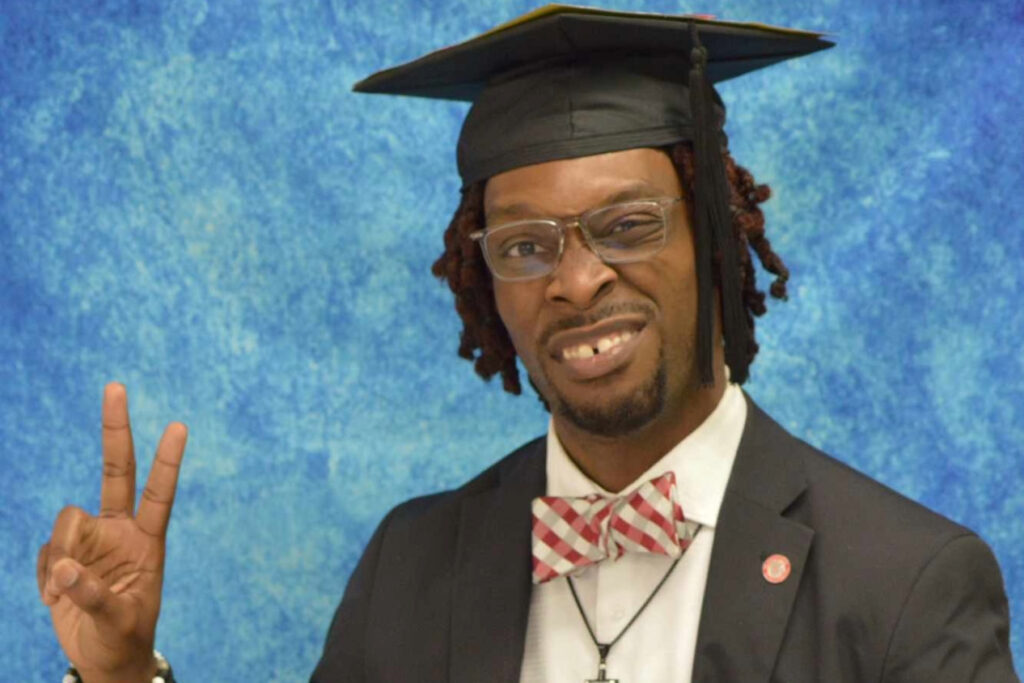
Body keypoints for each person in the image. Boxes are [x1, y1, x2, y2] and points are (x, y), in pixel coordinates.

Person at [37, 6, 1017, 682]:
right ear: (483, 283)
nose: (578, 279)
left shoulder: (905, 581)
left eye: (628, 226)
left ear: (715, 238)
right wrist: (122, 671)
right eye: (525, 245)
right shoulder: (413, 561)